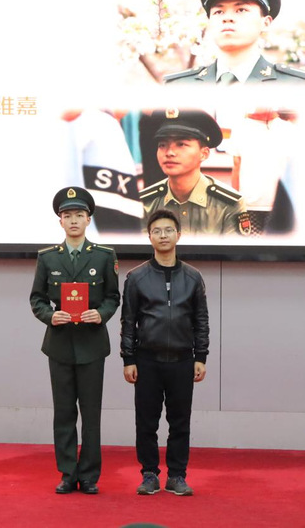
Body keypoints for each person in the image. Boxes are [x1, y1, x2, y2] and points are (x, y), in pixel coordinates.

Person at [29, 187, 120, 495]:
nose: (73, 221)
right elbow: (37, 298)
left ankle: (90, 475)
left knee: (91, 414)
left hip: (92, 344)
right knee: (64, 413)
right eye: (67, 216)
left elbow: (113, 297)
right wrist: (49, 316)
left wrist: (101, 314)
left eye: (79, 215)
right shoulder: (48, 257)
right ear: (60, 221)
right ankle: (68, 473)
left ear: (88, 219)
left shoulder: (104, 256)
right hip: (60, 343)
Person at [120, 209, 209, 497]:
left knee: (180, 422)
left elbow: (201, 320)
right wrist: (128, 359)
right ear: (150, 237)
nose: (163, 235)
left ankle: (177, 476)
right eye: (157, 231)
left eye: (168, 230)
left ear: (178, 235)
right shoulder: (137, 277)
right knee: (146, 422)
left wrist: (201, 356)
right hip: (147, 360)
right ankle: (149, 474)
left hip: (183, 361)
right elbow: (128, 321)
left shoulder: (193, 277)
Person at [139, 108, 251, 236]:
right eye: (162, 145)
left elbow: (235, 249)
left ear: (204, 153)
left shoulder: (229, 204)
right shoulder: (145, 203)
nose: (169, 152)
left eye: (181, 144)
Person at [165, 0, 305, 84]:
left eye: (241, 10)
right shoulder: (179, 87)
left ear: (266, 23)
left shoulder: (296, 85)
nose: (227, 18)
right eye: (219, 12)